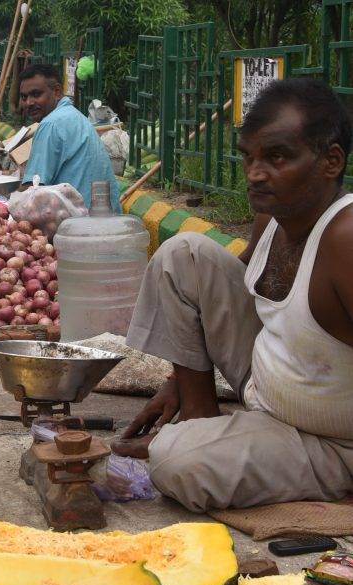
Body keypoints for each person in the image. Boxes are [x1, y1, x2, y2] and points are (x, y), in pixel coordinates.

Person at [111, 78, 353, 512]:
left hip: (330, 441)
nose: (256, 173)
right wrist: (178, 381)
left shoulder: (345, 239)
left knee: (174, 460)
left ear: (330, 161)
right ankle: (202, 420)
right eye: (249, 157)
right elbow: (220, 300)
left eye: (277, 157)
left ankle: (211, 444)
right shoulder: (272, 218)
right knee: (182, 253)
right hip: (265, 388)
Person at [17, 64, 121, 209]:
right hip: (104, 219)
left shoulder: (50, 124)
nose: (29, 102)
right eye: (24, 97)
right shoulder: (73, 115)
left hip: (78, 224)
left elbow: (32, 190)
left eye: (36, 94)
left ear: (57, 91)